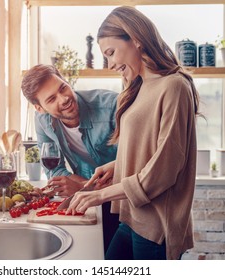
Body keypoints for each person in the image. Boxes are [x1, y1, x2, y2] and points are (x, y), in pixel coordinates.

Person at [66, 6, 200, 260]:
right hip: (130, 217)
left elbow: (166, 168)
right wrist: (117, 166)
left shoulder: (173, 86)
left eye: (111, 53)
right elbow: (148, 148)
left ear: (135, 38)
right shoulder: (137, 87)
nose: (110, 64)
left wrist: (100, 195)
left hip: (156, 226)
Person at [21, 64, 120, 252]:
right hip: (89, 204)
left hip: (125, 200)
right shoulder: (42, 120)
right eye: (51, 99)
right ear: (39, 108)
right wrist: (84, 188)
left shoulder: (112, 106)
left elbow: (135, 165)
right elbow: (54, 169)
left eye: (63, 87)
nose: (64, 98)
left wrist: (83, 187)